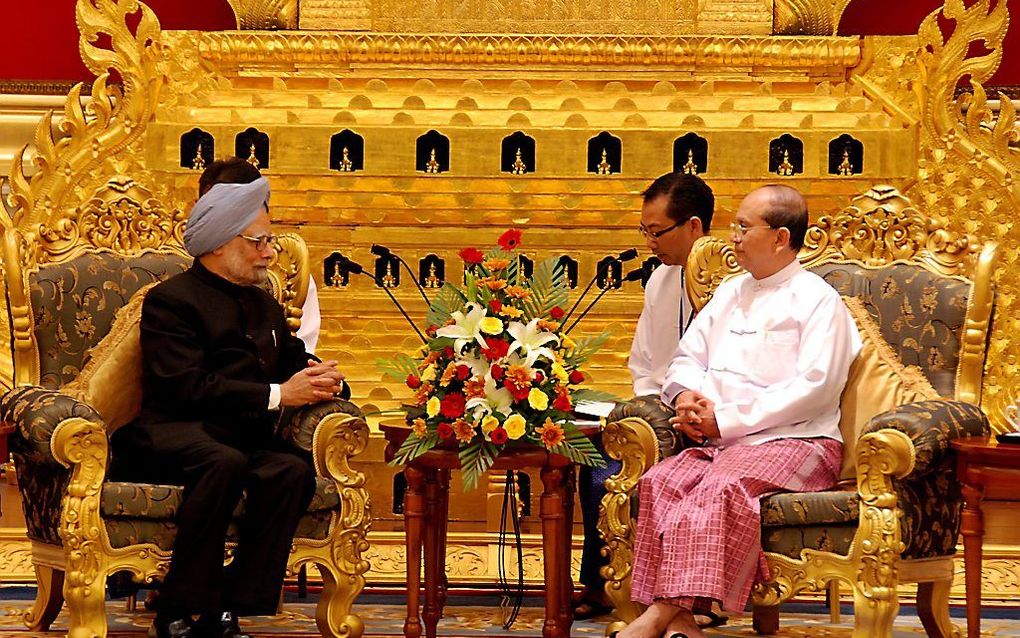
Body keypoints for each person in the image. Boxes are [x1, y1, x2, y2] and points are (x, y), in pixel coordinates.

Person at [616, 185, 861, 638]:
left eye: (745, 227)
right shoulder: (730, 293)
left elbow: (815, 389)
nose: (733, 237)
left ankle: (656, 614)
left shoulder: (818, 301)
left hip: (800, 441)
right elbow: (687, 359)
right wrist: (685, 396)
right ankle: (682, 624)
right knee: (660, 481)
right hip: (724, 441)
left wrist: (724, 419)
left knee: (723, 487)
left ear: (781, 238)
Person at [111, 177, 347, 638]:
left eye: (269, 241)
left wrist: (329, 381)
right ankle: (176, 608)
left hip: (240, 437)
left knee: (290, 471)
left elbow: (296, 363)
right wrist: (280, 395)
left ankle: (229, 604)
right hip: (172, 431)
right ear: (220, 244)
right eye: (258, 241)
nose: (269, 252)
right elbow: (184, 386)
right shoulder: (171, 301)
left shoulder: (264, 305)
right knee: (224, 462)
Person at [575, 173, 714, 621]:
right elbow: (646, 365)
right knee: (596, 453)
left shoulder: (732, 284)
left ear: (693, 227)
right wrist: (651, 408)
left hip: (714, 419)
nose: (650, 243)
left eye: (657, 232)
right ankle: (602, 584)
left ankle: (687, 594)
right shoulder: (660, 282)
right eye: (645, 231)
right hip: (660, 415)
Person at [198, 158, 322, 354]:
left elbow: (302, 365)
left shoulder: (276, 290)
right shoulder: (173, 299)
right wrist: (280, 388)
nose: (267, 253)